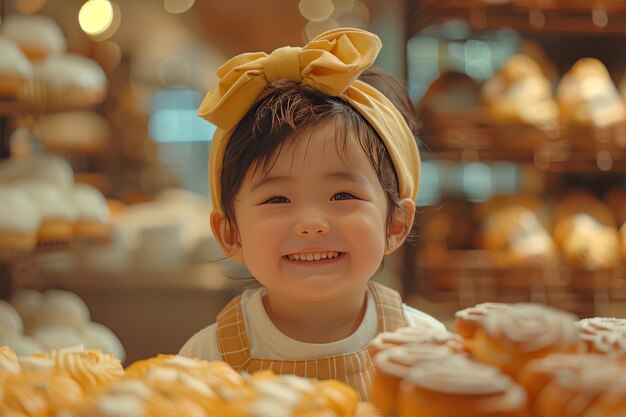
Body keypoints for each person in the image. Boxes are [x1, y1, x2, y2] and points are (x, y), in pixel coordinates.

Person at [179, 27, 444, 399]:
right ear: (231, 234)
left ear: (396, 223)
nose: (311, 224)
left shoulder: (427, 349)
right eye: (277, 200)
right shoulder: (204, 362)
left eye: (342, 194)